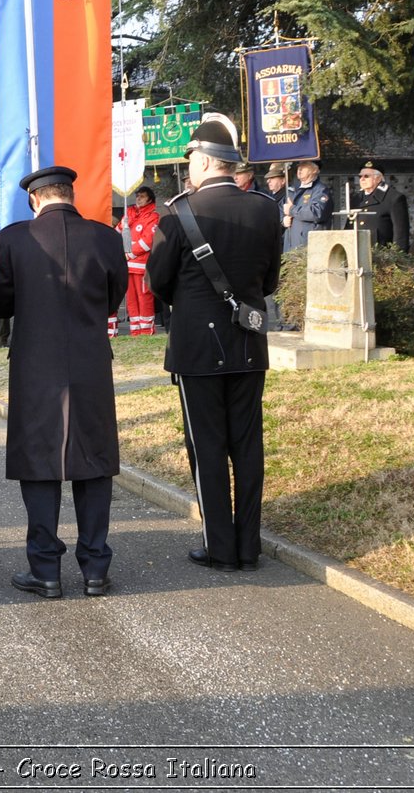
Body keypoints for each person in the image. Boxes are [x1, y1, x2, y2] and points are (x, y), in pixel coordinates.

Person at [147, 119, 284, 572]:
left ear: (204, 162)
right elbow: (269, 281)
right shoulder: (265, 208)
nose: (188, 168)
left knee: (206, 446)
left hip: (197, 348)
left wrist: (185, 303)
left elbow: (158, 282)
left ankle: (218, 546)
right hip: (247, 341)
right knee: (247, 446)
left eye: (190, 160)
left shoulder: (180, 213)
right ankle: (248, 546)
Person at [0, 167, 128, 599]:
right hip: (90, 361)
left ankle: (45, 568)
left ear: (35, 199)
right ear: (71, 194)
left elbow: (0, 303)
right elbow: (115, 297)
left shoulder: (14, 239)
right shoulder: (106, 236)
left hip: (35, 365)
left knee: (39, 461)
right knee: (95, 459)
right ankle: (95, 567)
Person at [122, 186, 159, 335]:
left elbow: (148, 241)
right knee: (131, 300)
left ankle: (146, 330)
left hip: (142, 266)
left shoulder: (153, 216)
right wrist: (126, 223)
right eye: (137, 196)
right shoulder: (129, 214)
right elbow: (118, 232)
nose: (138, 199)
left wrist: (129, 254)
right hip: (127, 265)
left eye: (142, 196)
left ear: (150, 199)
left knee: (144, 298)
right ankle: (135, 332)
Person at [353, 163, 410, 251]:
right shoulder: (356, 198)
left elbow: (400, 232)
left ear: (378, 178)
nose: (362, 179)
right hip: (357, 250)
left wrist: (397, 257)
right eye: (360, 176)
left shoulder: (393, 198)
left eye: (366, 176)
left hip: (381, 254)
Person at [282, 160, 333, 253]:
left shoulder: (321, 190)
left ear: (314, 170)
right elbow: (284, 212)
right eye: (298, 166)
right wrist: (284, 221)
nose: (299, 169)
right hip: (291, 247)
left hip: (309, 248)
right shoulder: (293, 190)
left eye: (304, 166)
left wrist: (292, 210)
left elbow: (317, 213)